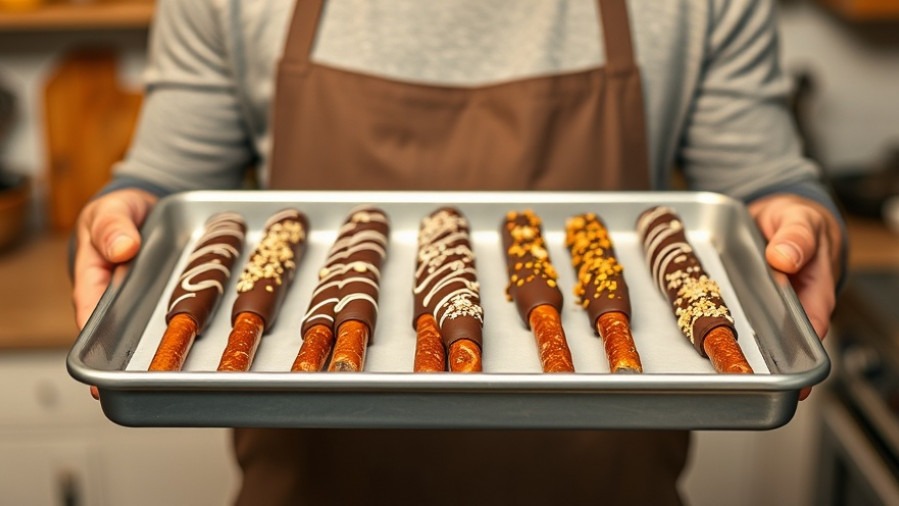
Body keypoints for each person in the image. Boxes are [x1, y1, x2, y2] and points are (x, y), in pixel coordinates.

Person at [71, 1, 844, 504]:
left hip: (609, 479)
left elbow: (760, 187)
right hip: (307, 480)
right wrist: (129, 218)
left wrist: (803, 225)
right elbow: (179, 190)